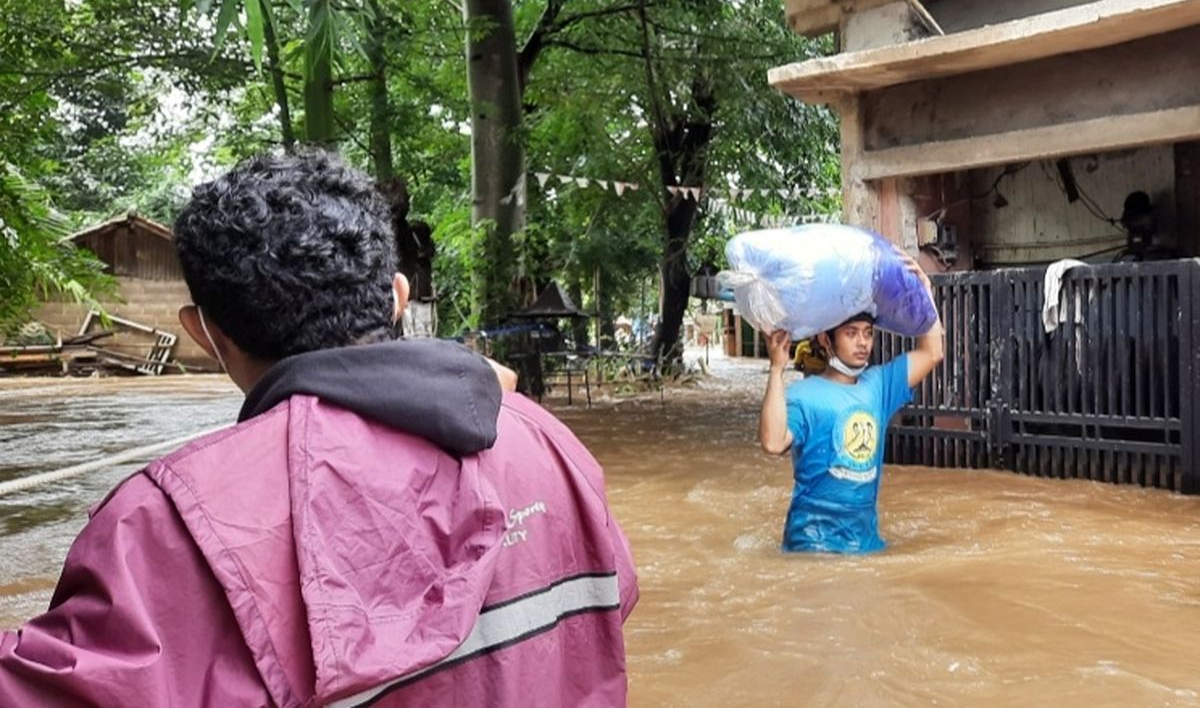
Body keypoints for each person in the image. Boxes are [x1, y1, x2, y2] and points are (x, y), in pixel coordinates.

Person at [0, 149, 638, 706]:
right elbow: (615, 604)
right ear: (396, 297)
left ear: (207, 334)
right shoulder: (549, 443)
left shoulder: (165, 527)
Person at [757, 251, 944, 554]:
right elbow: (773, 443)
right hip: (811, 545)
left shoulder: (879, 385)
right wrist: (777, 368)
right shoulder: (802, 395)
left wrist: (925, 296)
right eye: (851, 333)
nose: (863, 343)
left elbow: (932, 352)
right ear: (825, 339)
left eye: (868, 334)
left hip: (865, 542)